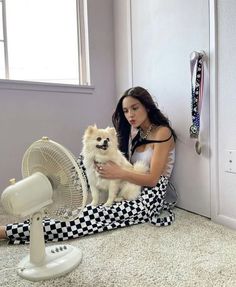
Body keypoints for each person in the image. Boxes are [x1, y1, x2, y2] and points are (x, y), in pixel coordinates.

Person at [0, 86, 177, 244]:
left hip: (148, 196)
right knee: (87, 158)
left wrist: (119, 173)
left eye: (135, 108)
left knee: (87, 216)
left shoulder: (162, 132)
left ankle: (6, 231)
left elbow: (153, 180)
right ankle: (53, 185)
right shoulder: (135, 131)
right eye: (125, 111)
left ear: (147, 106)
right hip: (125, 182)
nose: (130, 114)